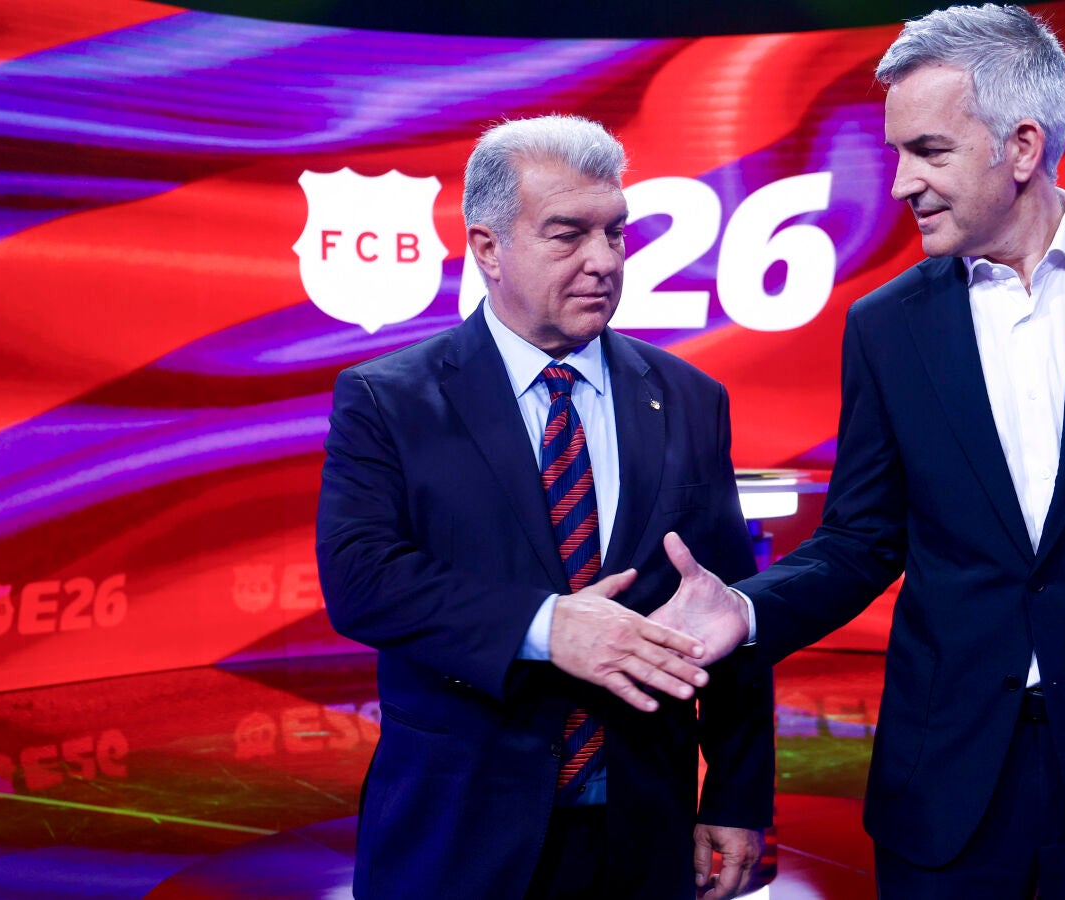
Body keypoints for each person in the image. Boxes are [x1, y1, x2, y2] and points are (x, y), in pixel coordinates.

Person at [652, 6, 1065, 899]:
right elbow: (861, 541)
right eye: (898, 154)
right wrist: (749, 610)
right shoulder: (887, 326)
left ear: (1022, 146)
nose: (902, 183)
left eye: (930, 151)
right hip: (945, 792)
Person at [317, 115, 773, 900]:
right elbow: (362, 581)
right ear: (488, 248)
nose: (605, 261)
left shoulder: (690, 398)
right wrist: (545, 626)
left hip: (644, 831)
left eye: (616, 233)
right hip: (457, 833)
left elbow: (728, 605)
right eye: (569, 235)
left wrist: (735, 795)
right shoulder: (389, 400)